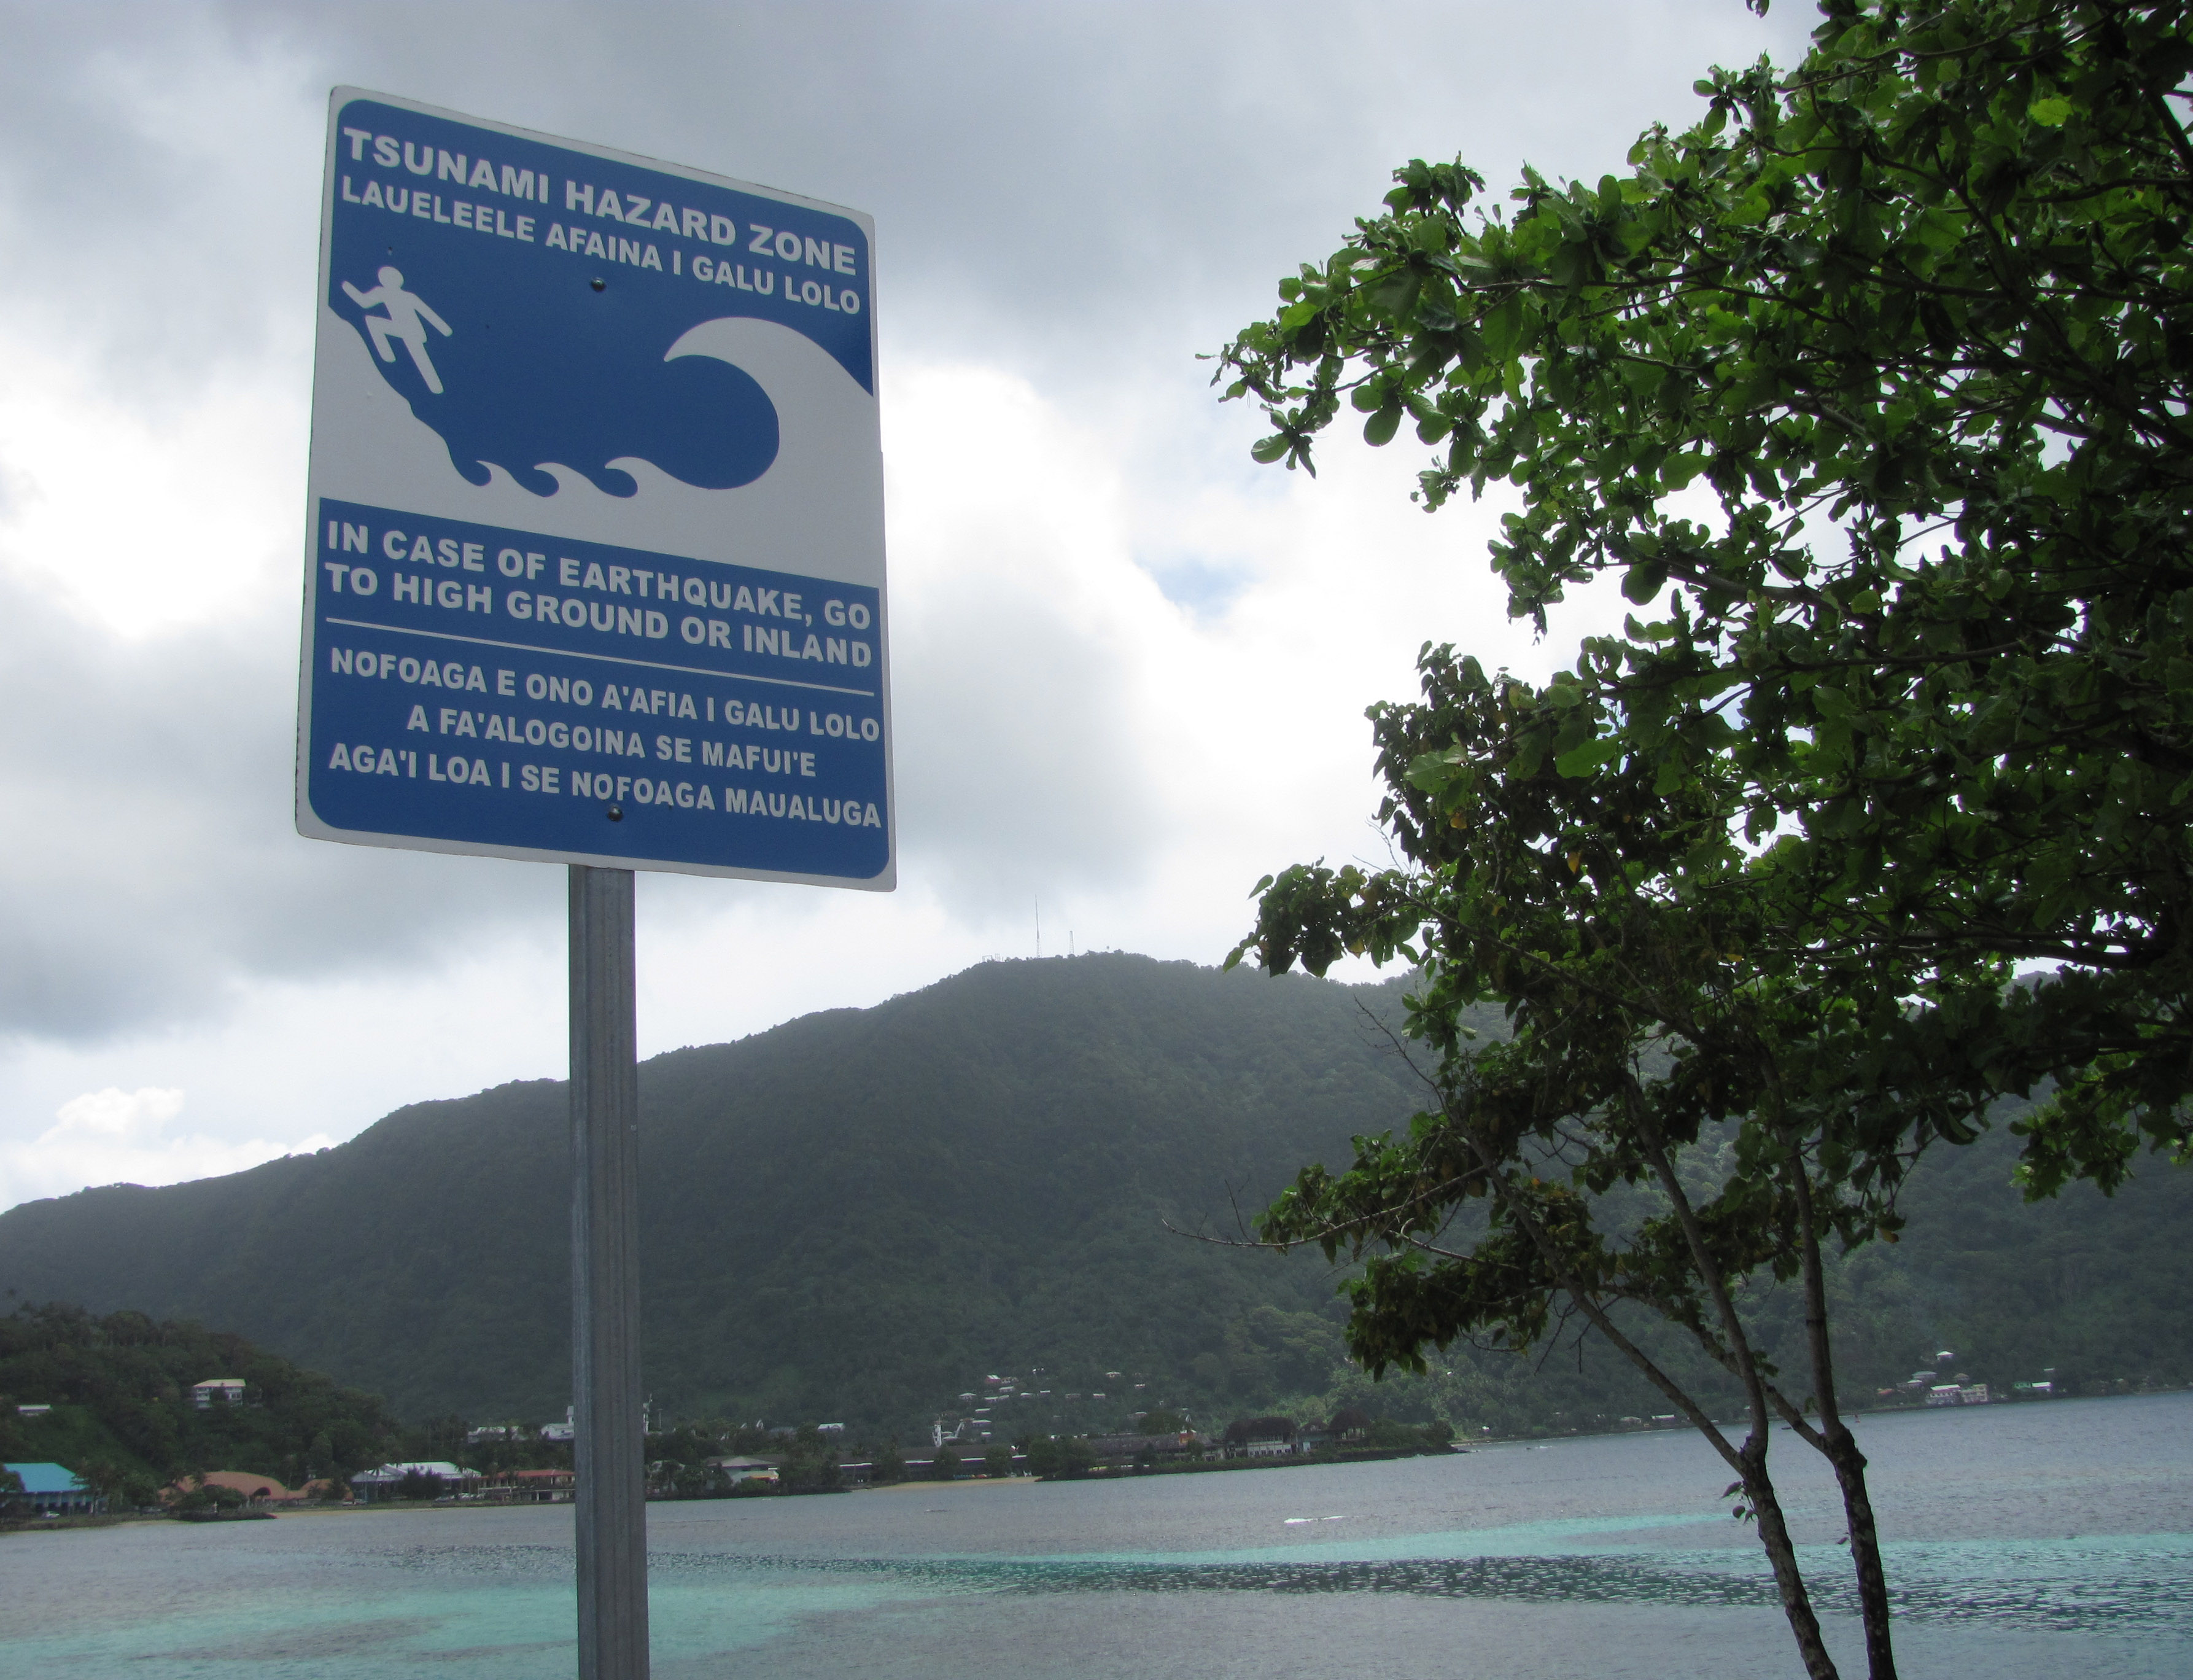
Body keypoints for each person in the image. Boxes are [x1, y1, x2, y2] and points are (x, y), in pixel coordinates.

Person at [341, 265, 452, 394]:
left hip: (411, 331)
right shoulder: (384, 292)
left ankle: (436, 389)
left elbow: (428, 314)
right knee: (373, 322)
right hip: (405, 329)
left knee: (422, 361)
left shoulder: (405, 296)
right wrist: (347, 287)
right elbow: (364, 302)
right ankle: (387, 356)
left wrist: (445, 330)